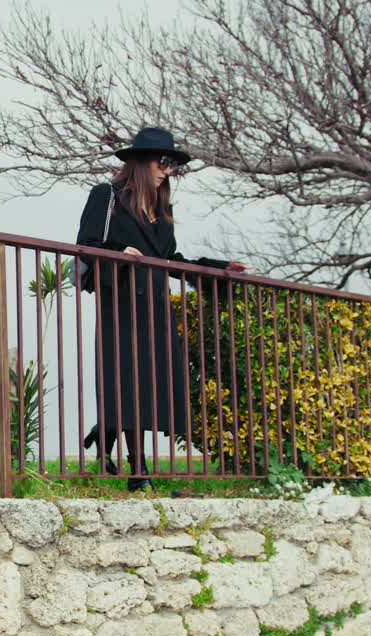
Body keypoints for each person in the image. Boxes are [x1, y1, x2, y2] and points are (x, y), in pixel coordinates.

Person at [75, 127, 249, 491]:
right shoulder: (105, 196)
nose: (167, 169)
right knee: (128, 380)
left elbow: (172, 260)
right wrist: (118, 254)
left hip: (154, 305)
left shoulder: (162, 212)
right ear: (140, 162)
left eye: (172, 164)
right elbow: (86, 245)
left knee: (155, 382)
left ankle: (107, 428)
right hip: (121, 303)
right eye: (162, 161)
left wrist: (219, 268)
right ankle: (138, 472)